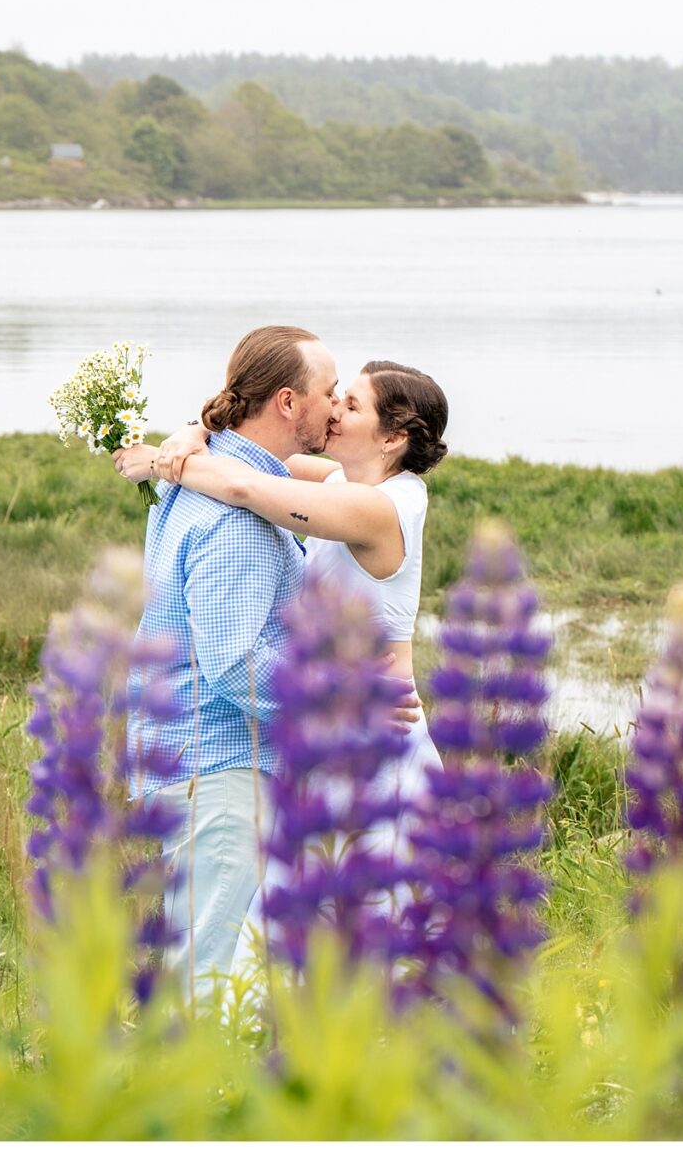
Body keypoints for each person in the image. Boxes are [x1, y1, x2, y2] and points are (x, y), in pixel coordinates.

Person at [116, 357, 451, 971]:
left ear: (394, 436)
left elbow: (245, 486)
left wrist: (177, 463)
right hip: (318, 730)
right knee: (284, 932)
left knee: (371, 925)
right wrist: (190, 434)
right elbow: (250, 452)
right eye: (336, 397)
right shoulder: (339, 485)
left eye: (351, 405)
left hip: (373, 736)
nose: (334, 410)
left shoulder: (387, 508)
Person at [120, 323, 334, 1008]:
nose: (335, 405)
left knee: (199, 963)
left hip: (187, 757)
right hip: (217, 767)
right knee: (207, 977)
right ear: (288, 402)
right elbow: (234, 662)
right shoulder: (236, 516)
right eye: (329, 391)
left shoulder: (199, 478)